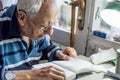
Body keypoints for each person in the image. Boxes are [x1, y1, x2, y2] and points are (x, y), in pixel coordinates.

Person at [0, 0, 77, 80]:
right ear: (22, 18)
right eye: (44, 26)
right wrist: (29, 75)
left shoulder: (37, 22)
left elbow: (46, 48)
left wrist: (58, 53)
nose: (50, 32)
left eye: (52, 24)